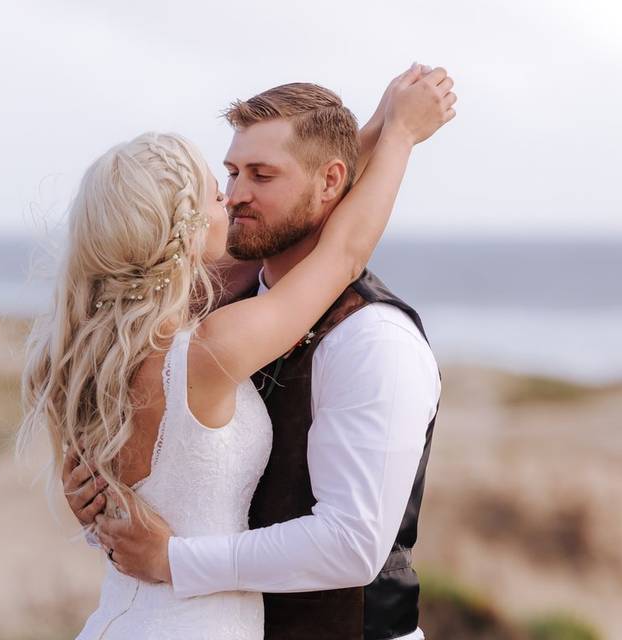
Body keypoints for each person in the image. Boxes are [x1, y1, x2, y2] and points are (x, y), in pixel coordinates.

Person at [27, 62, 454, 639]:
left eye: (259, 174)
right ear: (181, 228)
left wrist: (379, 127)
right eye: (225, 178)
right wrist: (396, 135)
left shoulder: (107, 342)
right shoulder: (215, 336)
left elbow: (353, 543)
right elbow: (342, 250)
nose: (233, 197)